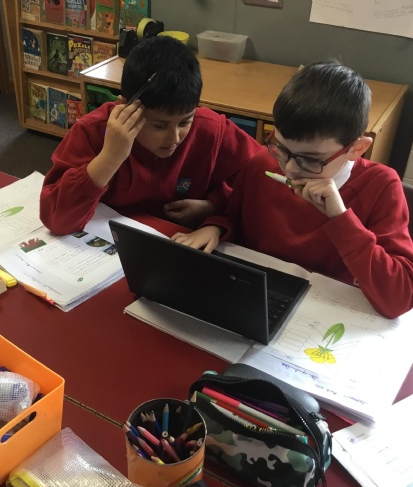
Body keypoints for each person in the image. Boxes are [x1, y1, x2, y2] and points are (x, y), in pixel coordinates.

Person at [172, 61, 413, 319]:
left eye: (310, 159)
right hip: (254, 295)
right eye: (282, 148)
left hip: (320, 311)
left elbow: (399, 299)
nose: (290, 169)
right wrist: (216, 227)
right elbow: (233, 216)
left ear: (357, 148)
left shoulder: (381, 186)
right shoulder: (261, 165)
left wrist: (340, 218)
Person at [39, 36, 261, 235]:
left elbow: (260, 174)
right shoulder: (92, 131)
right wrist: (110, 157)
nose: (174, 138)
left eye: (185, 122)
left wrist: (213, 207)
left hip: (182, 242)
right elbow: (56, 220)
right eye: (159, 126)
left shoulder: (209, 127)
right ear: (125, 107)